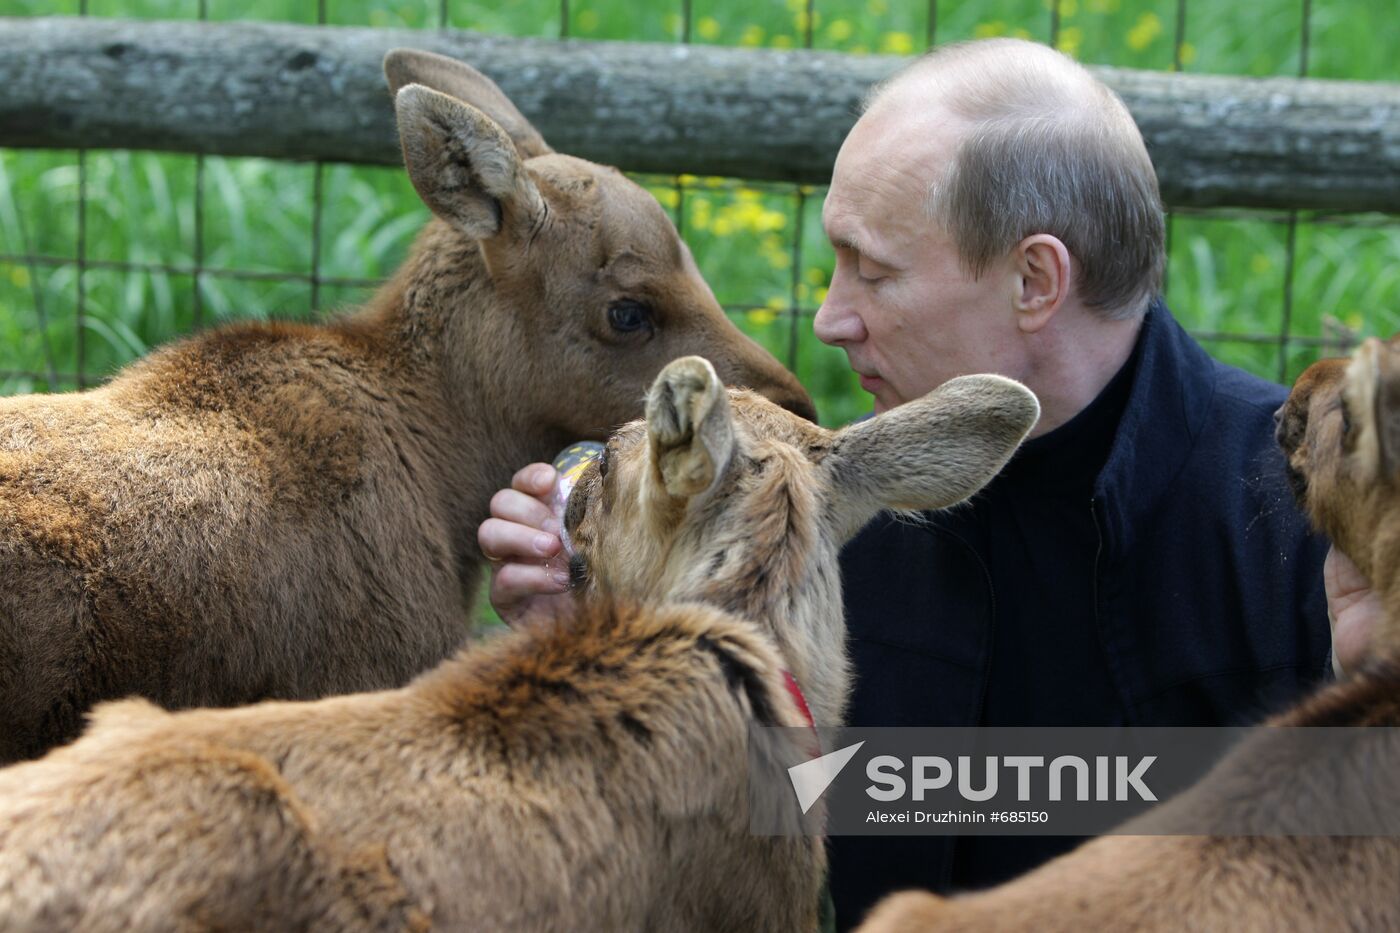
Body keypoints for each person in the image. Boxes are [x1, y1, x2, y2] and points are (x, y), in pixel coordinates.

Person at [478, 38, 1382, 930]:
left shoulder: (1311, 529)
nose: (831, 318)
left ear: (1035, 279)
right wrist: (604, 645)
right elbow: (767, 819)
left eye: (873, 270)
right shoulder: (834, 514)